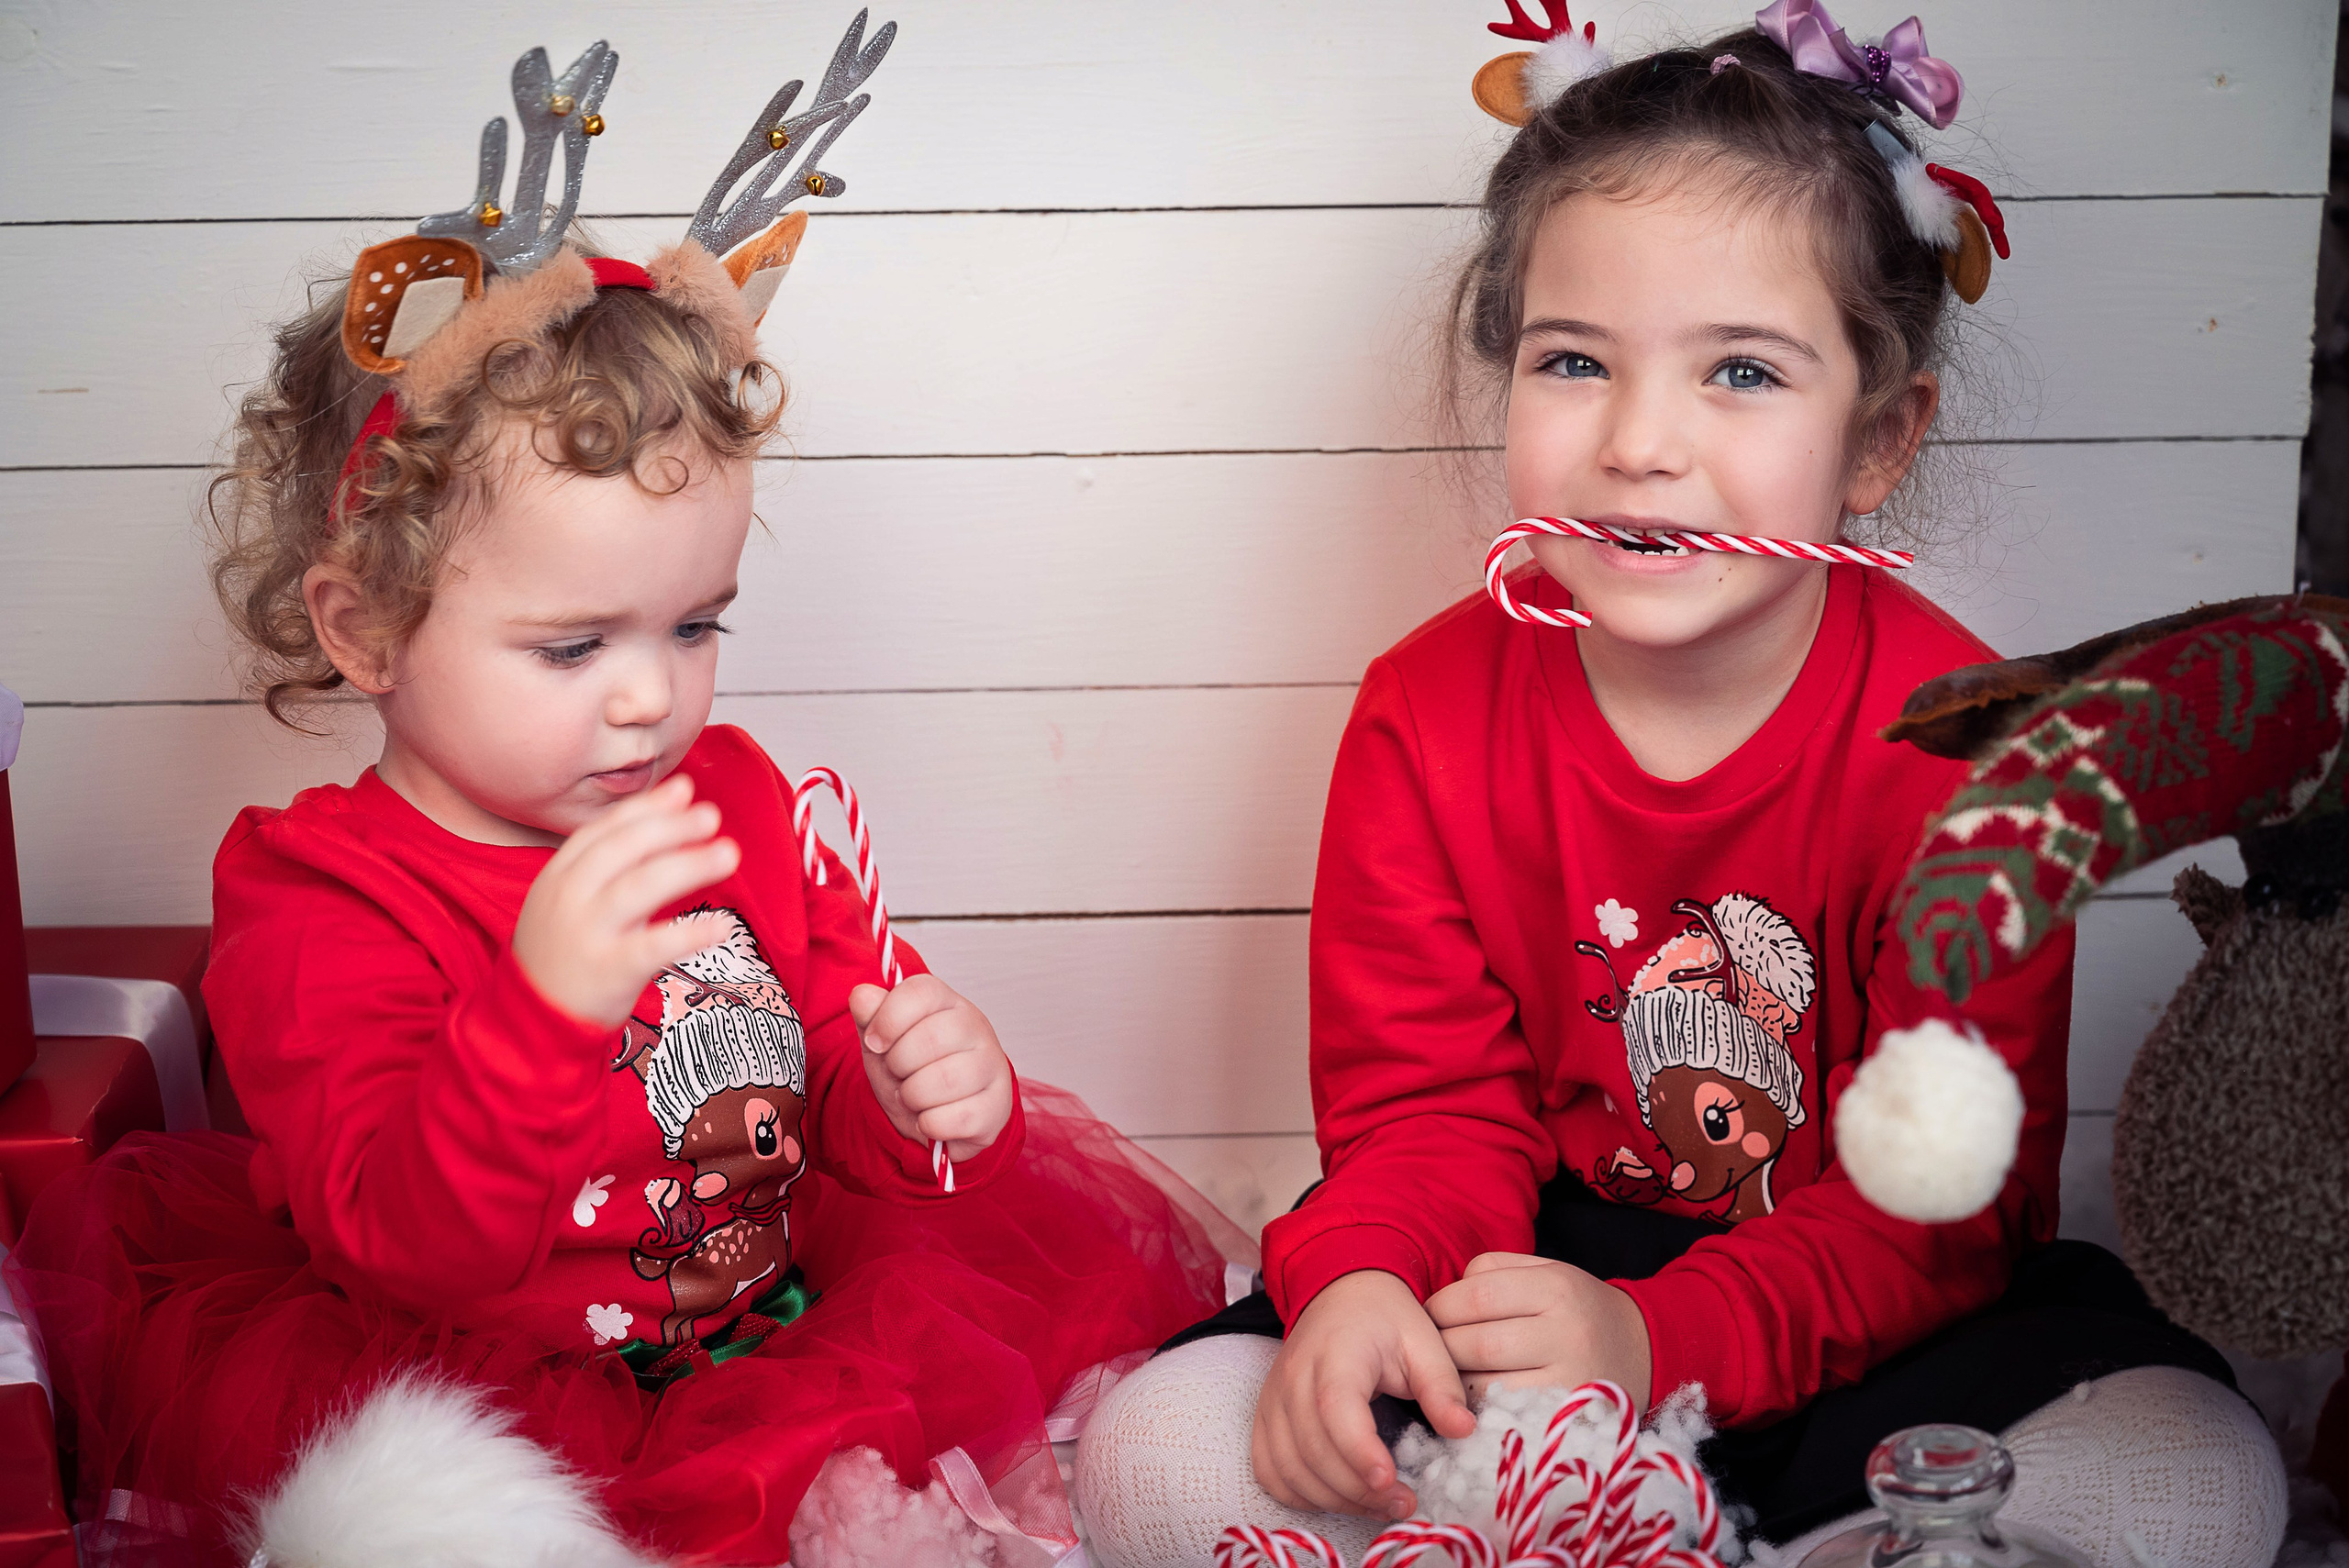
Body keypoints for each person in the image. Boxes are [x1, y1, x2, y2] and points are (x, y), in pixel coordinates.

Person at [1076, 7, 2288, 1564]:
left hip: (1873, 1309)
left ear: (1878, 437)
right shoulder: (1424, 716)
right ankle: (1586, 1523)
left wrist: (1663, 1346)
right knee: (1152, 1452)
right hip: (1523, 1291)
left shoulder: (1976, 753)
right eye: (1574, 361)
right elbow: (1424, 1115)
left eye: (1740, 373)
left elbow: (1942, 1204)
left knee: (2197, 1484)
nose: (1643, 443)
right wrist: (1369, 1280)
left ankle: (1731, 1536)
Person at [6, 206, 1236, 1568]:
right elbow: (405, 1239)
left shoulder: (733, 797)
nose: (654, 694)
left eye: (694, 623)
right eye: (574, 643)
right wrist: (540, 1005)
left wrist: (908, 1099)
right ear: (366, 627)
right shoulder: (319, 897)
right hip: (494, 1398)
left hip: (778, 1340)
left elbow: (813, 1065)